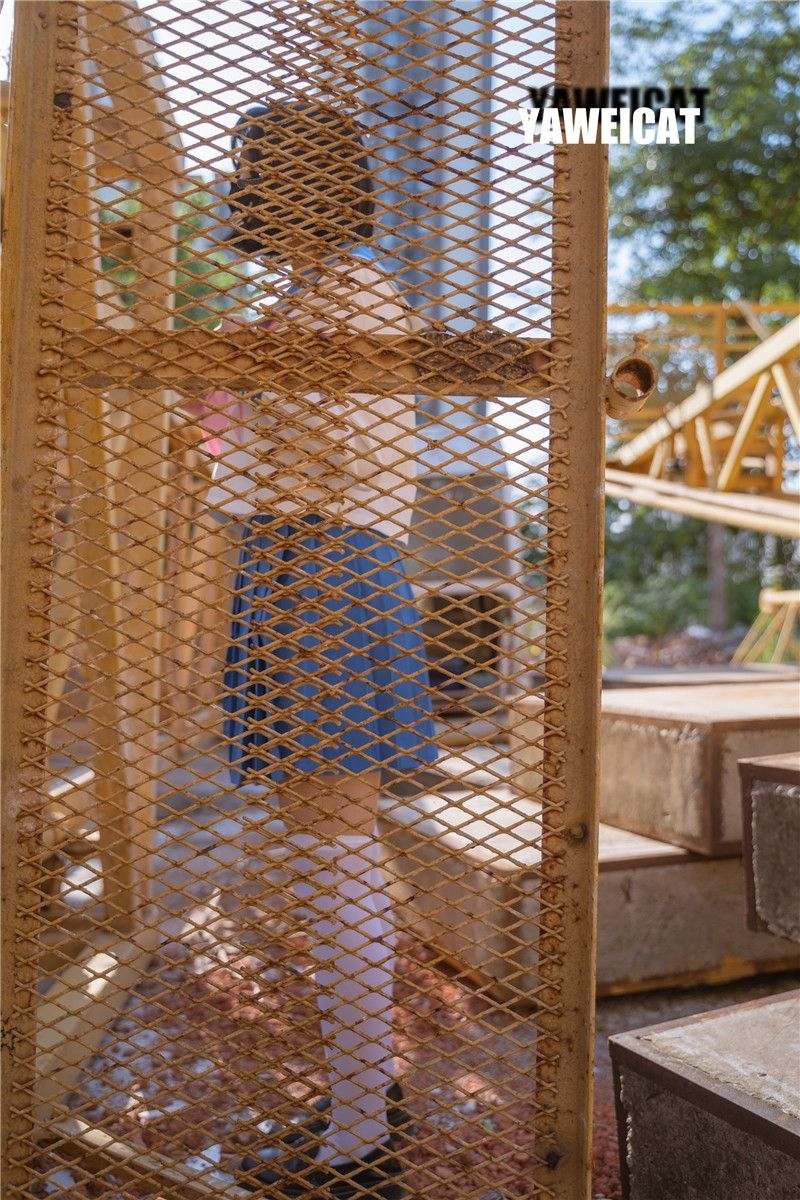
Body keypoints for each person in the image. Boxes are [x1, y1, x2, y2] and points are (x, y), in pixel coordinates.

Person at [193, 99, 437, 1199]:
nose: (246, 182)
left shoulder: (350, 294)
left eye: (263, 166)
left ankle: (361, 1131)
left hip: (322, 563)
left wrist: (261, 369)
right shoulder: (304, 296)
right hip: (298, 564)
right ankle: (361, 1095)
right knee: (327, 836)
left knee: (333, 836)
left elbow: (336, 448)